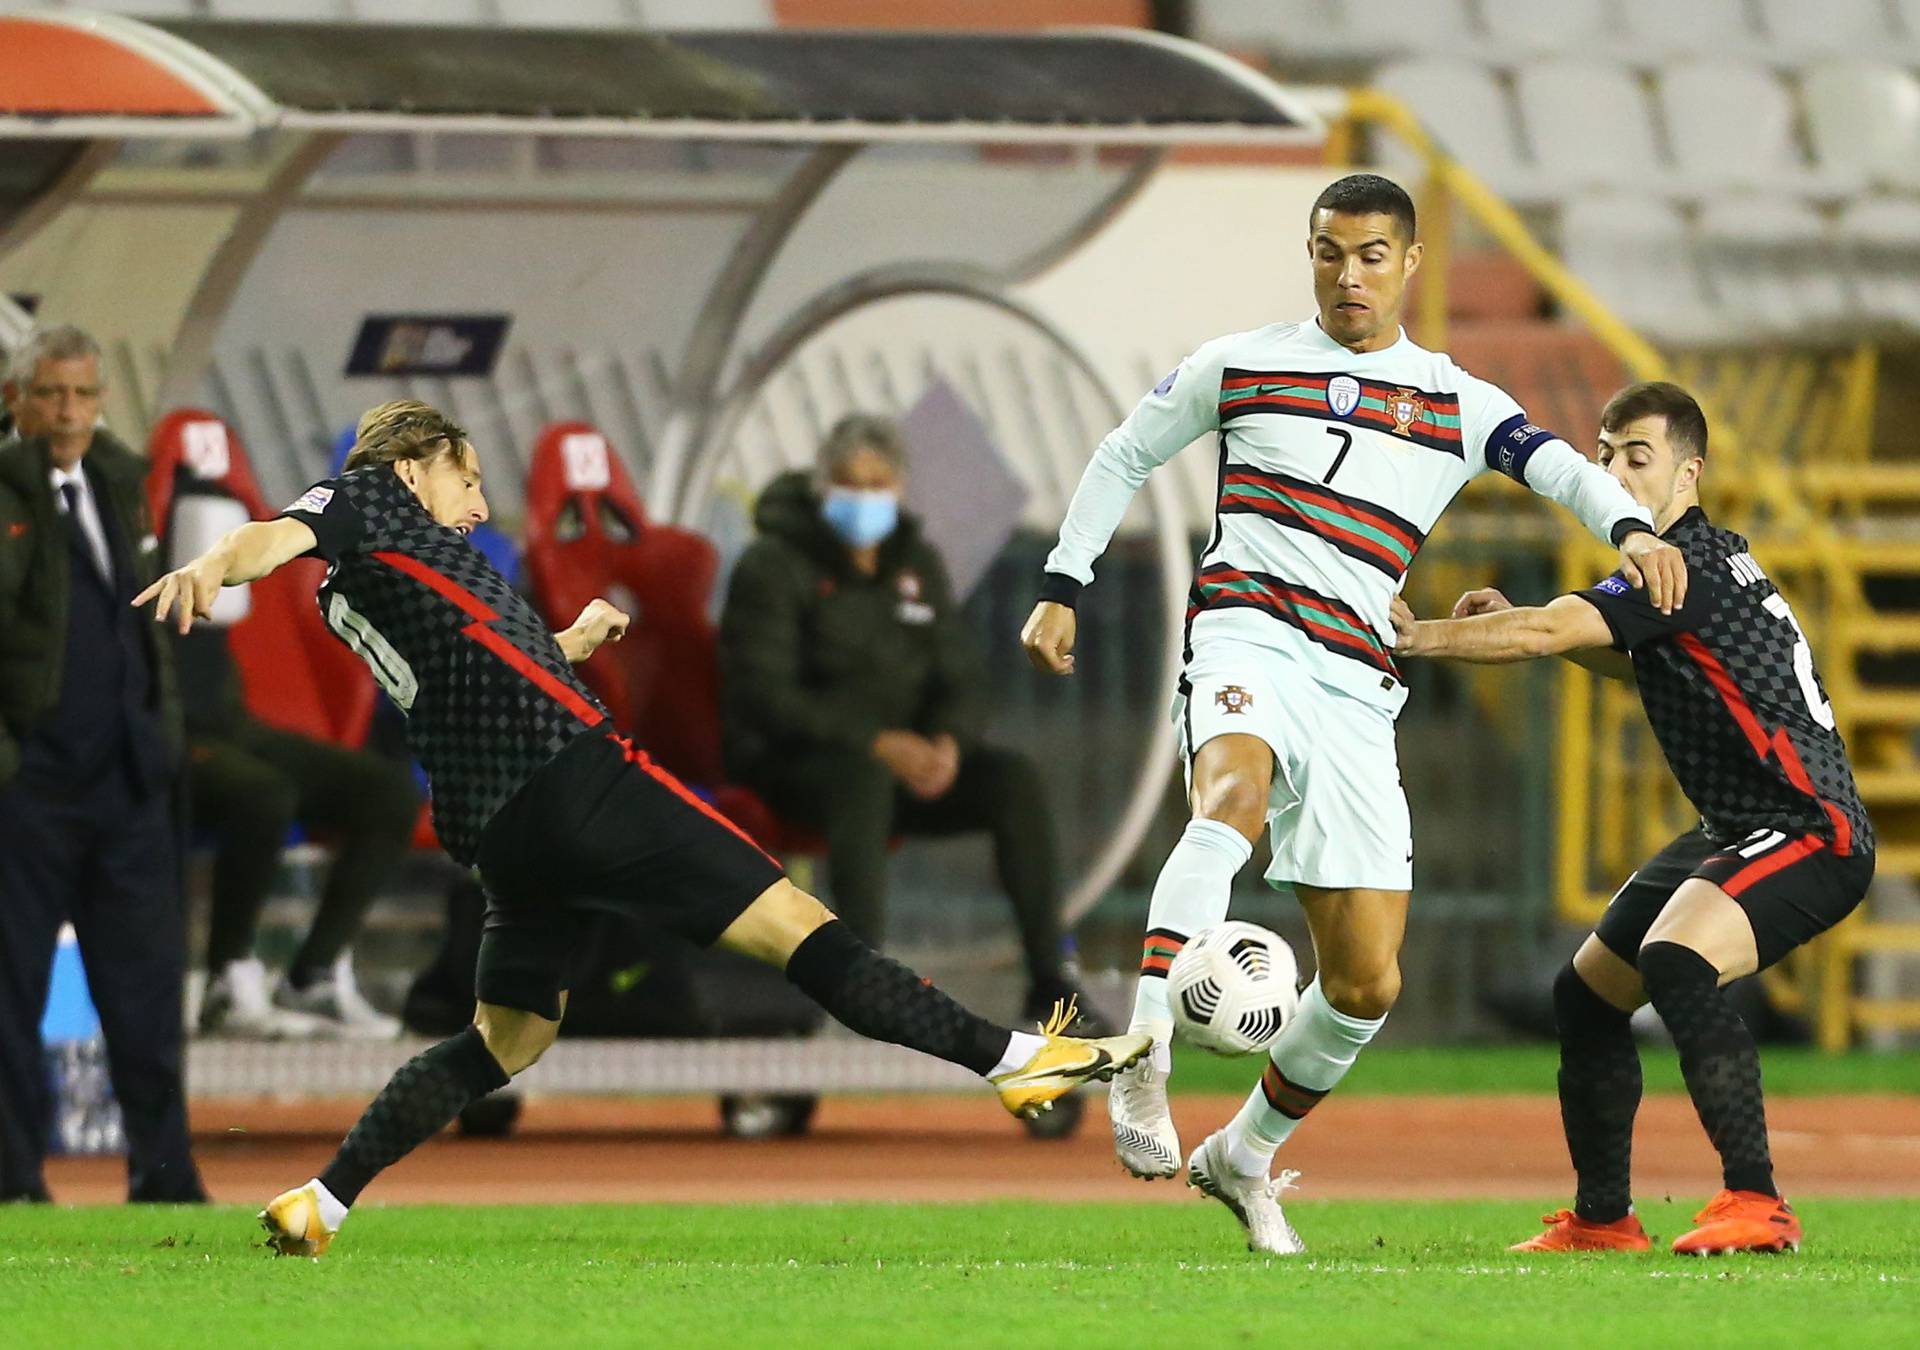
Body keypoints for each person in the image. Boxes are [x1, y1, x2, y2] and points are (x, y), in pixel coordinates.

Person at [135, 399, 1149, 1257]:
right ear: (414, 463)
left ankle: (327, 1197)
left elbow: (487, 665)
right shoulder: (364, 500)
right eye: (467, 479)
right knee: (799, 925)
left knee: (507, 1038)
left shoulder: (400, 574)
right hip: (579, 779)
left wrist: (569, 639)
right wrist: (215, 567)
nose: (481, 503)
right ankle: (1018, 1060)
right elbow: (271, 537)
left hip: (498, 825)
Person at [1021, 173, 1688, 1253]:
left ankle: (1240, 1157)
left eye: (1373, 254)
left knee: (1368, 979)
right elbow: (1125, 452)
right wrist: (1063, 582)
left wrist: (1629, 531)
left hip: (1355, 682)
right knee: (1227, 799)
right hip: (1245, 633)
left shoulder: (1454, 399)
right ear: (1311, 254)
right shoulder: (1240, 362)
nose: (1349, 274)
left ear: (1410, 264)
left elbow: (1562, 466)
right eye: (1331, 252)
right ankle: (1142, 1061)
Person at [1391, 382, 1872, 1257]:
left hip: (1808, 828)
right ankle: (1604, 1219)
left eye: (1636, 457)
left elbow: (1548, 633)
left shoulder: (1672, 565)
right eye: (1606, 455)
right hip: (1741, 822)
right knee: (1587, 994)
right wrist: (1535, 627)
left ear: (1689, 473)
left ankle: (1757, 1202)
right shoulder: (1692, 565)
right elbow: (1638, 660)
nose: (1614, 472)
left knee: (1676, 960)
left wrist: (1416, 637)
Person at [721, 414, 1098, 1027]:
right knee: (860, 779)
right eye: (851, 484)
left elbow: (962, 674)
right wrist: (877, 743)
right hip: (792, 764)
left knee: (1012, 781)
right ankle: (862, 984)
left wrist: (949, 741)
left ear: (898, 490)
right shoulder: (771, 564)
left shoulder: (915, 562)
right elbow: (765, 695)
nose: (865, 499)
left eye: (879, 485)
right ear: (823, 487)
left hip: (905, 767)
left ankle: (1053, 986)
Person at [0, 325, 204, 1203]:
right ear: (17, 400)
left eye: (83, 395)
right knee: (8, 996)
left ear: (103, 400)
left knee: (148, 992)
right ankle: (11, 1179)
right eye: (50, 395)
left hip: (126, 780)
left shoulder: (124, 483)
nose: (68, 413)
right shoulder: (5, 491)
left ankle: (163, 1176)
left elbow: (145, 624)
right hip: (28, 786)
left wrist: (161, 738)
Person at [180, 622, 418, 1039]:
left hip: (230, 723)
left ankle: (313, 976)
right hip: (164, 730)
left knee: (389, 794)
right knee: (264, 794)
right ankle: (225, 976)